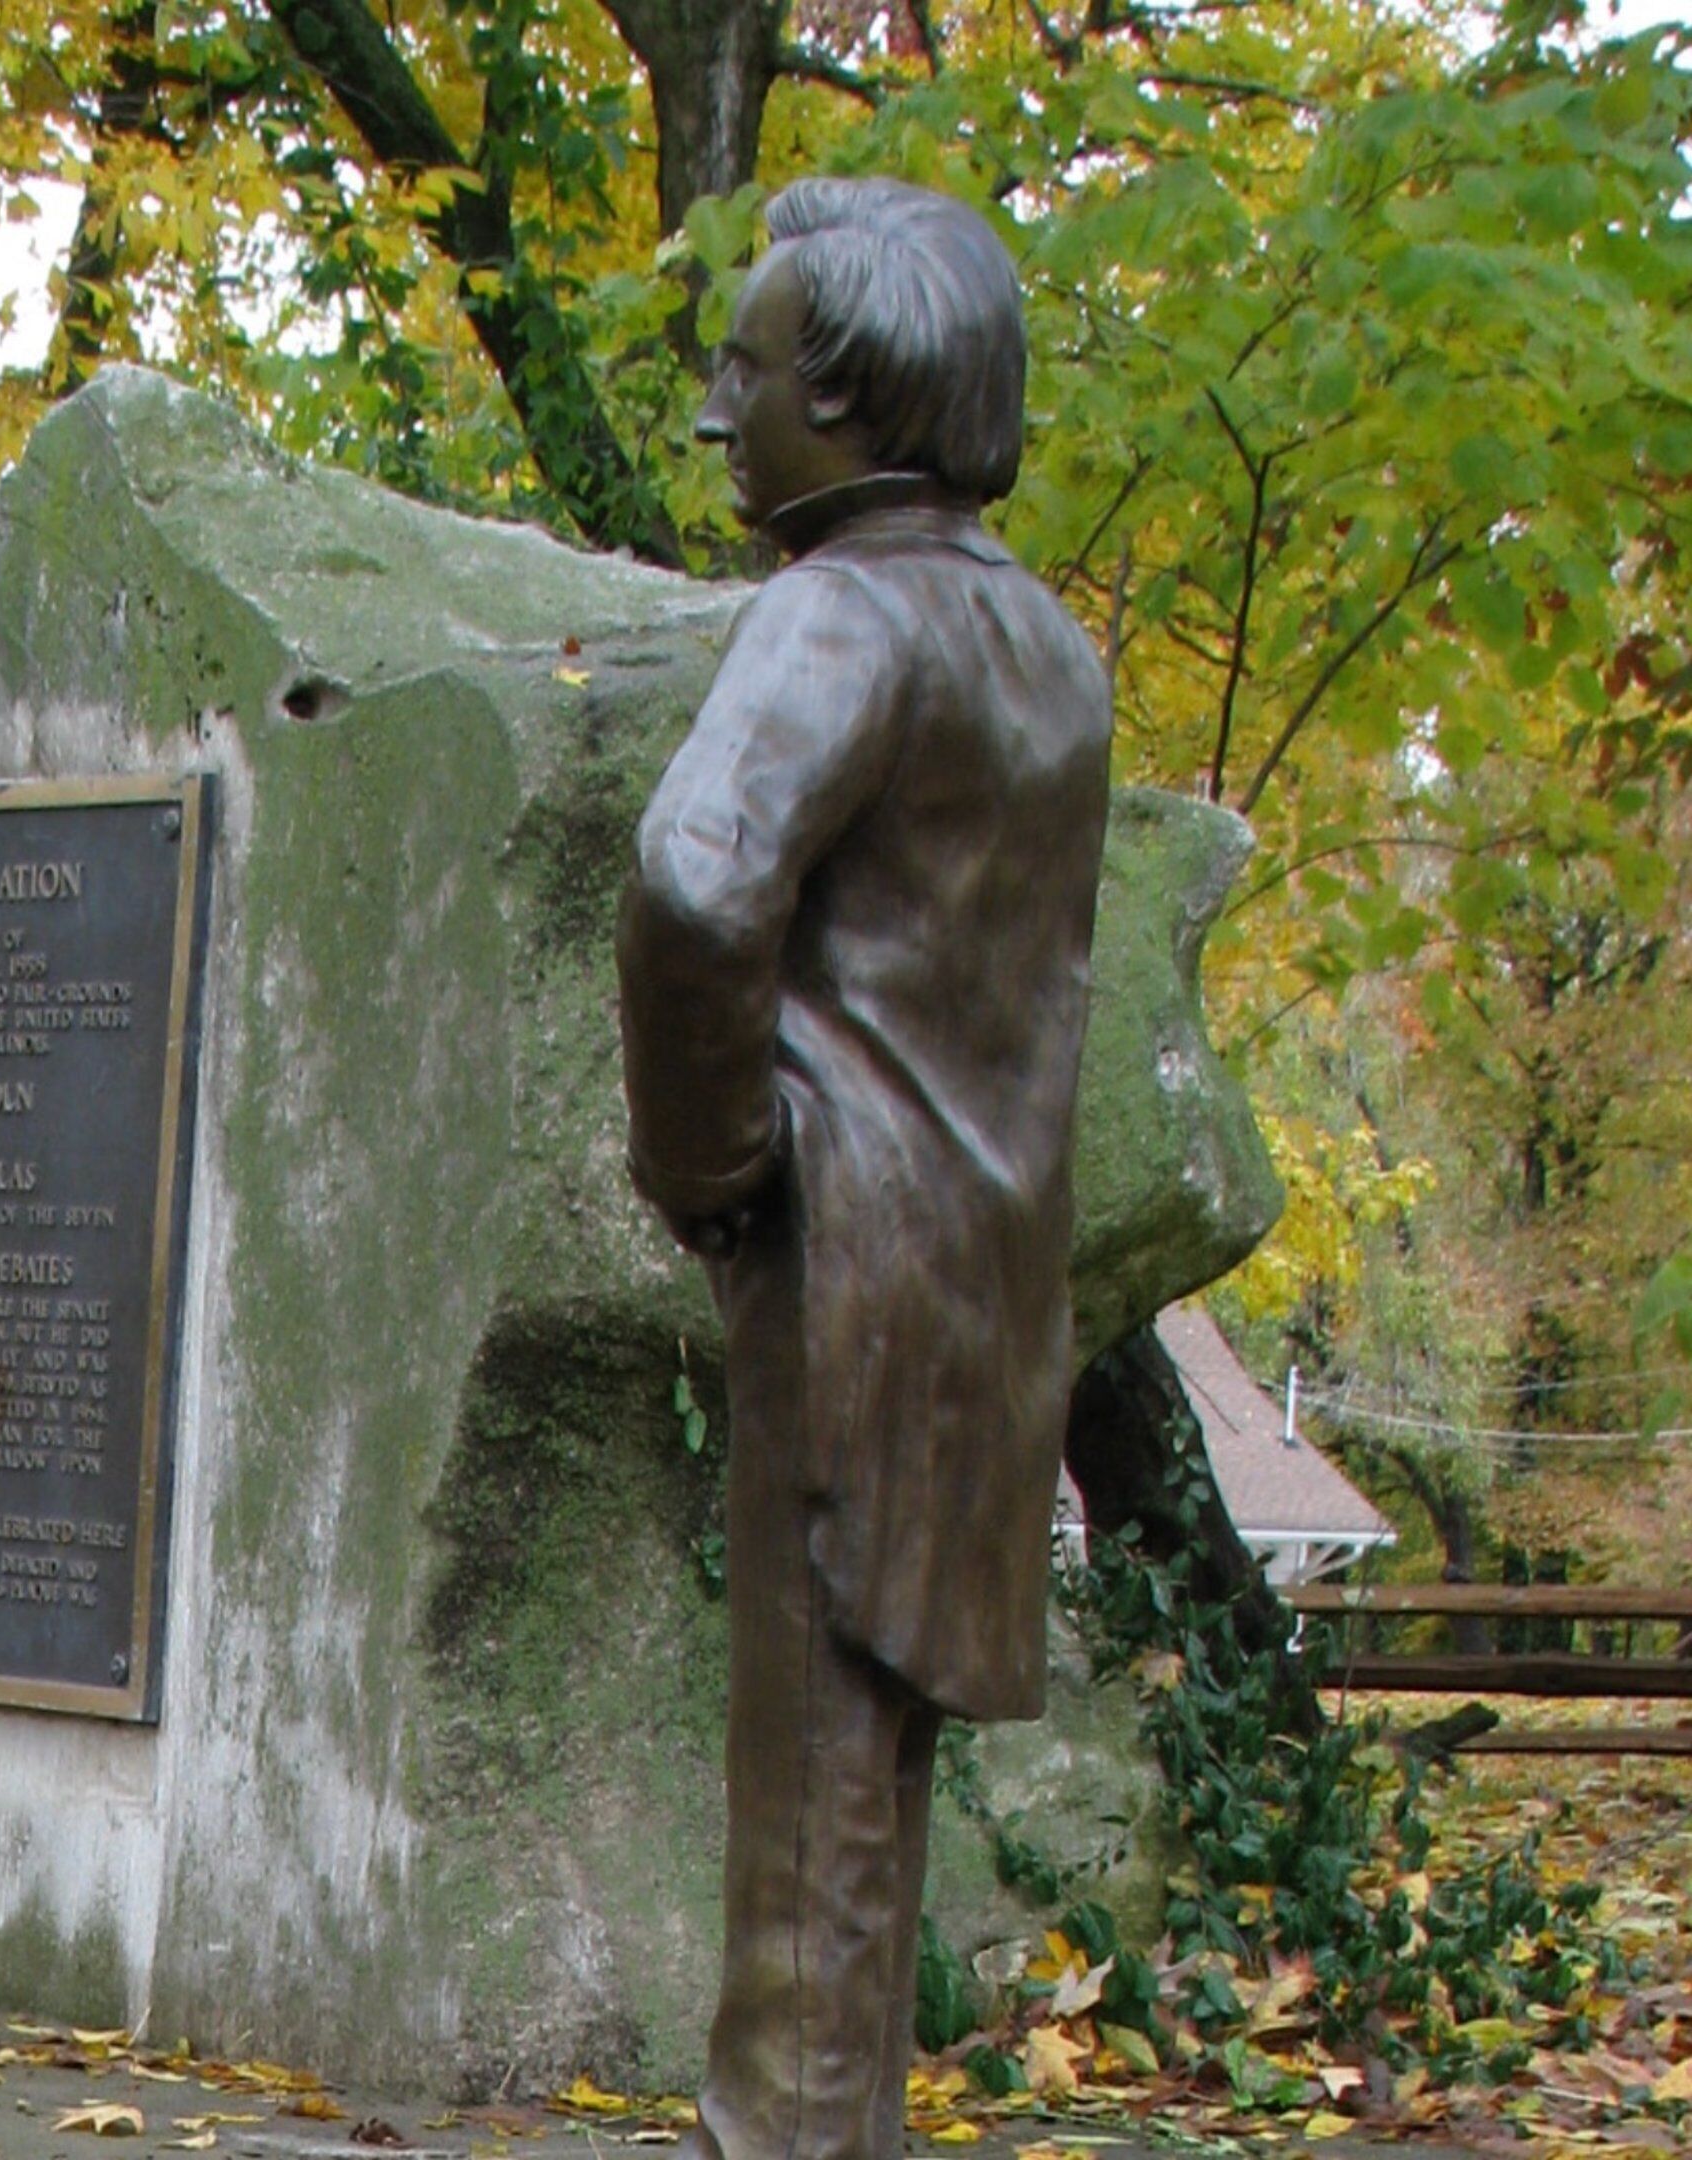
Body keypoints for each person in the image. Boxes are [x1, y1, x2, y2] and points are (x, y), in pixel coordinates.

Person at [617, 178, 1112, 2160]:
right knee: (864, 1789)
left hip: (842, 1250)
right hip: (985, 1278)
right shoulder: (1045, 651)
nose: (715, 415)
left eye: (744, 371)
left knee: (810, 1785)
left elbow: (693, 879)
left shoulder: (844, 611)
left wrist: (714, 1158)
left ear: (849, 394)